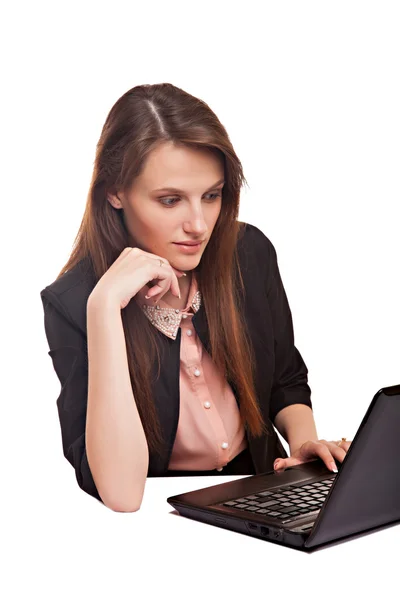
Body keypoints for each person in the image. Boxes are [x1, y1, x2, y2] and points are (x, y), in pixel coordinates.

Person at [40, 83, 351, 512]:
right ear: (114, 192)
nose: (200, 225)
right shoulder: (74, 303)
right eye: (170, 201)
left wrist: (304, 448)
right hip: (164, 517)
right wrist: (104, 307)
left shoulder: (248, 252)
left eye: (212, 195)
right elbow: (122, 494)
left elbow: (285, 378)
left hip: (259, 499)